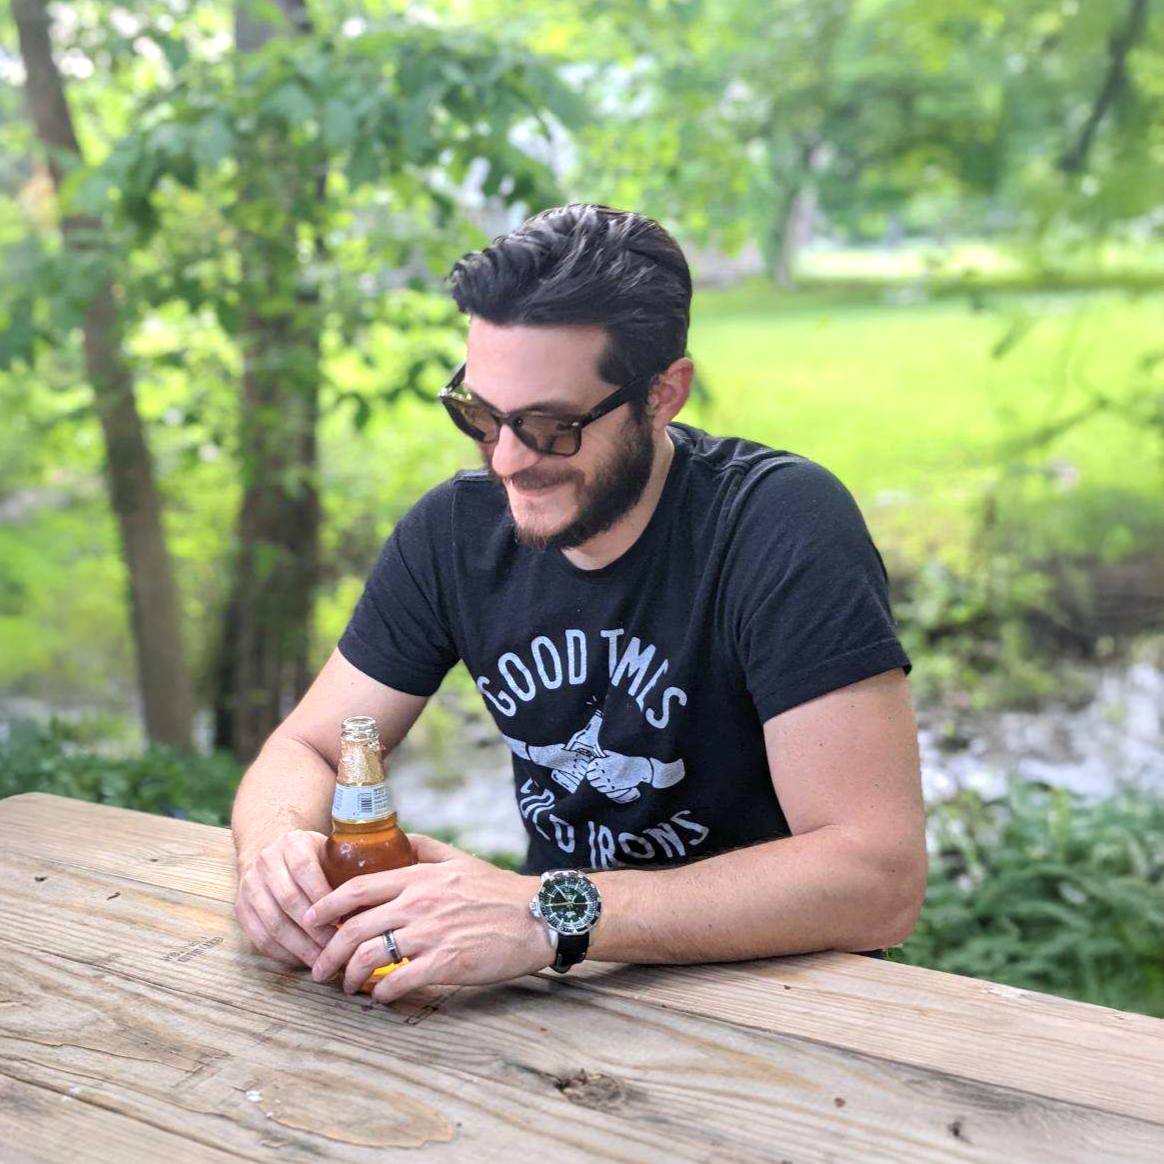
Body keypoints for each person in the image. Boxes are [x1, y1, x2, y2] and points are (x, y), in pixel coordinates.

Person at [231, 203, 927, 1003]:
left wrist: (546, 912)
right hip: (563, 987)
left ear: (663, 395)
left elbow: (878, 879)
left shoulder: (779, 526)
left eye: (552, 427)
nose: (507, 462)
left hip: (782, 995)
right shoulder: (453, 535)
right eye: (480, 416)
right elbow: (313, 747)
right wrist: (275, 853)